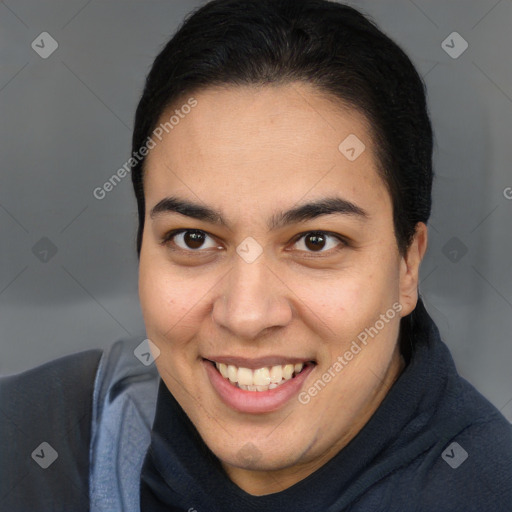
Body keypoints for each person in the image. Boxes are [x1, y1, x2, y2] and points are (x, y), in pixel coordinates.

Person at [1, 0, 511, 510]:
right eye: (193, 239)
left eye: (316, 241)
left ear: (407, 266)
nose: (245, 315)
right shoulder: (32, 449)